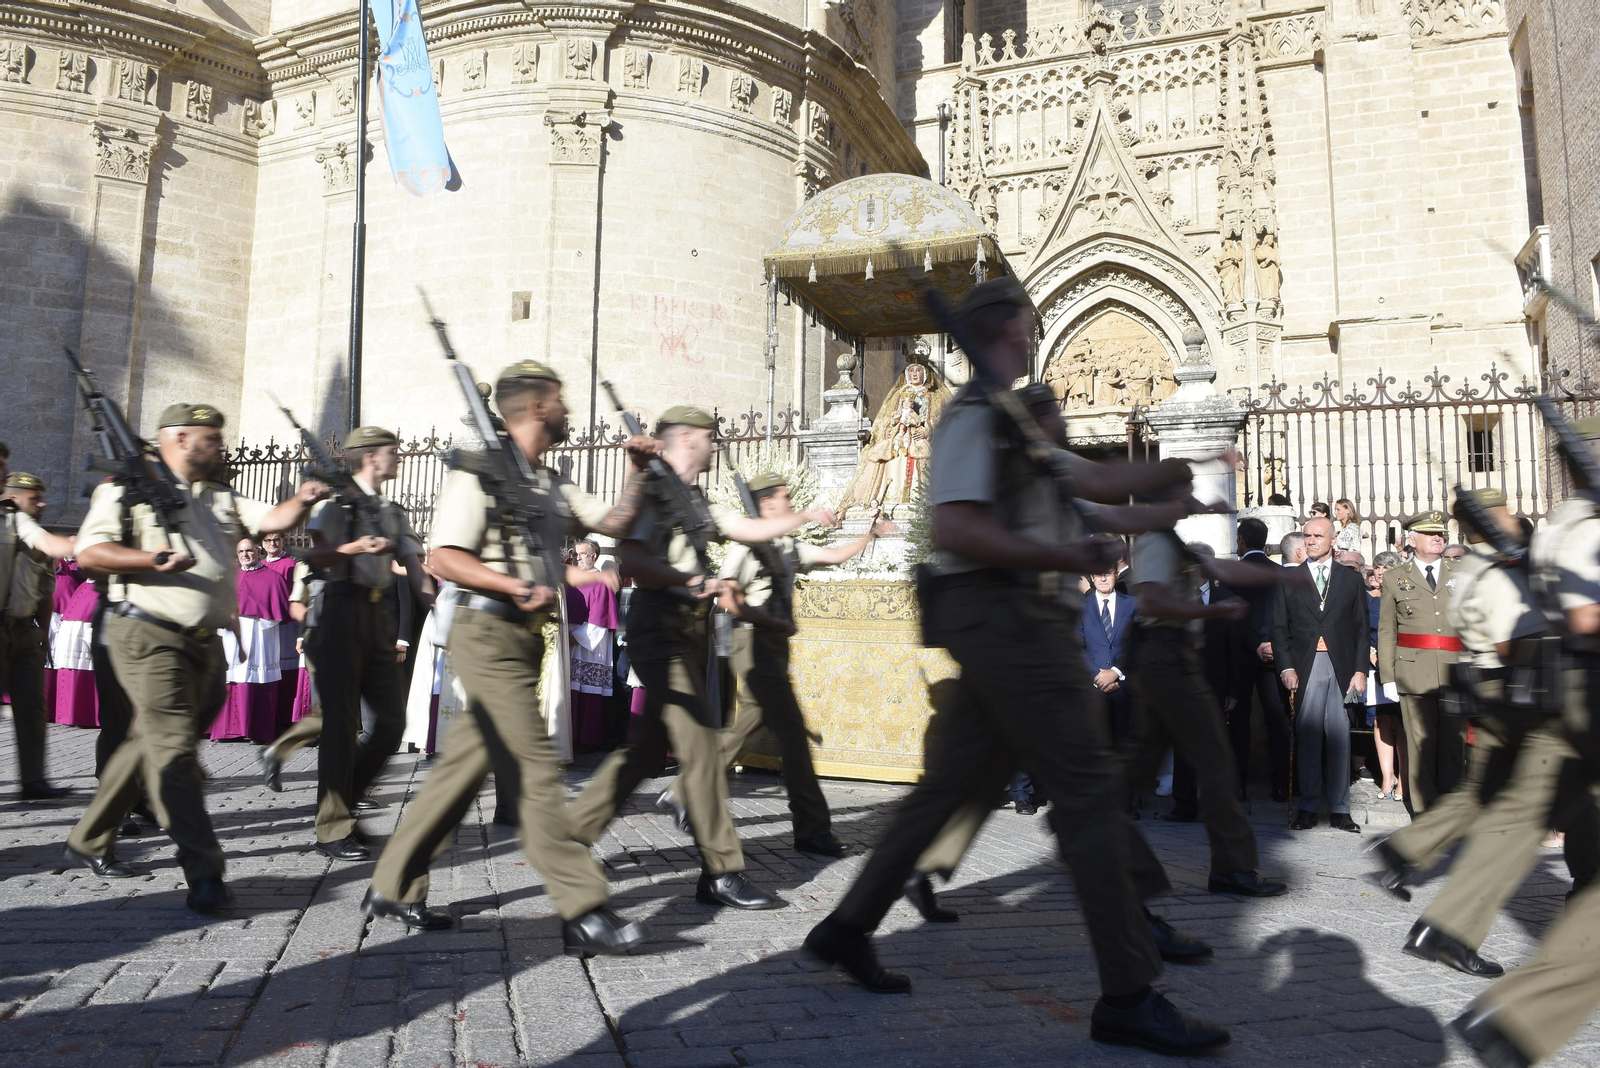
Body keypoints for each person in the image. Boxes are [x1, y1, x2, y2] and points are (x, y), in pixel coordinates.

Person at [804, 278, 1231, 1056]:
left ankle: (847, 926)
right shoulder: (975, 416)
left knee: (945, 794)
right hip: (1010, 624)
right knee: (1089, 795)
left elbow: (1097, 483)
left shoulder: (1012, 422)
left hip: (1013, 629)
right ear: (1008, 331)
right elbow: (957, 529)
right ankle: (1128, 992)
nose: (1036, 338)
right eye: (1028, 327)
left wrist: (1180, 484)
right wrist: (1062, 555)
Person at [363, 360, 656, 953]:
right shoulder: (476, 474)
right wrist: (513, 585)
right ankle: (582, 903)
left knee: (462, 769)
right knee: (533, 767)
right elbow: (444, 557)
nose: (569, 410)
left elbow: (615, 521)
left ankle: (393, 885)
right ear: (538, 406)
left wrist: (636, 471)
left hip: (523, 638)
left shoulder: (549, 483)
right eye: (561, 400)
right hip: (487, 631)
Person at [567, 406, 837, 910]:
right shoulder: (653, 490)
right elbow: (632, 556)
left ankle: (574, 831)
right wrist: (689, 579)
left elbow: (747, 528)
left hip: (686, 630)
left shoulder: (693, 499)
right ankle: (721, 871)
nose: (715, 446)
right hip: (660, 626)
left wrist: (802, 517)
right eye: (710, 438)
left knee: (647, 751)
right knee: (701, 748)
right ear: (687, 439)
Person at [62, 403, 325, 913]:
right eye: (212, 437)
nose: (222, 446)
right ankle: (204, 872)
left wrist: (305, 496)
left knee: (155, 741)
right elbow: (91, 553)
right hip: (148, 634)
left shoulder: (219, 494)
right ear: (181, 438)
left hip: (206, 643)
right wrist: (153, 558)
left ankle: (90, 837)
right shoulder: (126, 489)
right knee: (175, 756)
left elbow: (271, 519)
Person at [658, 474, 896, 856]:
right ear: (767, 504)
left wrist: (869, 535)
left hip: (772, 644)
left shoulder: (785, 544)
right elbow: (727, 599)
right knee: (793, 735)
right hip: (753, 641)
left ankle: (686, 788)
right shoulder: (746, 545)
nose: (791, 502)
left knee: (750, 725)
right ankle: (812, 829)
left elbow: (833, 556)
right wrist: (770, 620)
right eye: (785, 497)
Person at [1122, 527, 1287, 894]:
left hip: (1173, 657)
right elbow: (1152, 602)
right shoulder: (1155, 540)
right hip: (1166, 655)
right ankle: (1232, 868)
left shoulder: (1171, 542)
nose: (1188, 503)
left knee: (1142, 761)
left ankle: (1083, 812)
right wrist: (1214, 609)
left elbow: (1223, 568)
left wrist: (1283, 576)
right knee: (1215, 761)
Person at [297, 426, 435, 861]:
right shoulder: (335, 507)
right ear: (371, 457)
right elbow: (316, 557)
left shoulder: (392, 511)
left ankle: (341, 803)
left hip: (376, 616)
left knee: (391, 723)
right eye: (393, 451)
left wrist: (440, 610)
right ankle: (332, 829)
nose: (400, 457)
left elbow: (414, 568)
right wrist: (356, 546)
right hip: (339, 611)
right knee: (341, 728)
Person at [1274, 516, 1369, 831]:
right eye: (1307, 536)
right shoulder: (1289, 579)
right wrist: (1286, 666)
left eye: (1318, 535)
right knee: (1308, 736)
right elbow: (1279, 628)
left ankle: (1340, 809)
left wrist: (1360, 670)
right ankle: (1309, 807)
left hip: (1342, 667)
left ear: (1333, 539)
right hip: (1305, 666)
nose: (1311, 540)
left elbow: (1361, 629)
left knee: (1340, 737)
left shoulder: (1350, 579)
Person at [1378, 510, 1464, 813]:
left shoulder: (1461, 573)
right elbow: (1387, 630)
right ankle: (1424, 811)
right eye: (1430, 534)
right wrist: (1388, 676)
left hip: (1455, 670)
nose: (1438, 538)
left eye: (1440, 533)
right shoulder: (1394, 578)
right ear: (1412, 540)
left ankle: (1449, 812)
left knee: (1453, 746)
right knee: (1419, 747)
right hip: (1413, 672)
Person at [1, 472, 78, 798]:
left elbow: (45, 593)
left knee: (33, 706)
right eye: (35, 499)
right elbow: (52, 544)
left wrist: (43, 637)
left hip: (24, 633)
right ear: (13, 499)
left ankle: (33, 781)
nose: (43, 504)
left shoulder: (35, 536)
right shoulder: (15, 523)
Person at [1167, 543, 1243, 818]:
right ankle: (1184, 804)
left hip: (1216, 684)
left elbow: (1234, 648)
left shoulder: (1225, 599)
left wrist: (1234, 689)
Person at [1231, 517, 1291, 803]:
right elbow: (1286, 616)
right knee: (1277, 719)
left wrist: (1254, 644)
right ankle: (1281, 784)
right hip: (1272, 655)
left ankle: (1239, 785)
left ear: (1241, 540)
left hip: (1242, 655)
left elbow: (1233, 617)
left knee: (1238, 720)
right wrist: (1269, 644)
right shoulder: (1281, 573)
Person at [209, 539, 293, 743]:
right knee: (230, 676)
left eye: (249, 551)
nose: (245, 555)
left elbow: (278, 612)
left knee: (257, 676)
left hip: (258, 634)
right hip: (231, 634)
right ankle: (228, 730)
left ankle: (259, 730)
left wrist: (254, 616)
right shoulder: (229, 576)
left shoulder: (273, 578)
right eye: (241, 551)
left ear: (258, 551)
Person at [568, 538, 619, 750]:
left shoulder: (600, 582)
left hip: (589, 644)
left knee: (587, 690)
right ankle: (570, 737)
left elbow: (599, 621)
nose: (577, 558)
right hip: (570, 641)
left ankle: (587, 739)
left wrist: (573, 638)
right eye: (575, 554)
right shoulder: (572, 579)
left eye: (582, 554)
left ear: (594, 556)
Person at [1080, 563, 1136, 745]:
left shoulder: (1133, 604)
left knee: (1126, 747)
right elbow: (1076, 646)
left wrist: (1116, 672)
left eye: (1108, 573)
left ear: (1116, 575)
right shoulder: (1080, 607)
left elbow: (1139, 643)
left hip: (1125, 689)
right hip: (1093, 692)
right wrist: (1098, 677)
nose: (1103, 578)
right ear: (1092, 577)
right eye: (1098, 574)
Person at [1365, 552, 1406, 802]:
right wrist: (1370, 654)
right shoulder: (1366, 598)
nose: (1381, 572)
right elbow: (1358, 629)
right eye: (1377, 567)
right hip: (1373, 666)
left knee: (1402, 722)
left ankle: (1404, 779)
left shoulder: (1403, 594)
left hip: (1400, 664)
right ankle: (1386, 777)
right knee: (1381, 720)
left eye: (1387, 567)